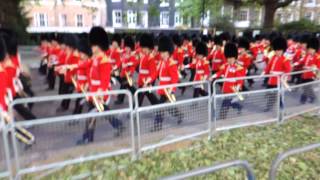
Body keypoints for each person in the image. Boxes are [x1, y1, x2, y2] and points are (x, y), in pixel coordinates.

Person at [77, 27, 124, 145]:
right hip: (94, 93)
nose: (90, 48)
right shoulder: (95, 58)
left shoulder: (104, 60)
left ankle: (87, 138)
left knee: (91, 115)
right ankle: (118, 125)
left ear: (98, 46)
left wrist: (100, 93)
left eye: (92, 45)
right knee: (103, 113)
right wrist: (69, 67)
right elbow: (84, 66)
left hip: (100, 94)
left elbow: (105, 80)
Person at [153, 35, 183, 131]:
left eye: (163, 52)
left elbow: (175, 78)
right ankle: (179, 115)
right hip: (162, 88)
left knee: (160, 107)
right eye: (161, 52)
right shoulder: (162, 62)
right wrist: (149, 80)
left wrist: (171, 89)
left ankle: (157, 126)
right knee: (169, 108)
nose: (161, 54)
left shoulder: (171, 63)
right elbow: (157, 73)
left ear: (168, 52)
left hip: (168, 89)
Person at [211, 43, 246, 119]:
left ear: (235, 58)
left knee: (225, 104)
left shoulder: (238, 67)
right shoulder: (225, 65)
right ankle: (238, 106)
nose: (229, 60)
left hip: (232, 89)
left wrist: (238, 87)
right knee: (229, 103)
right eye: (228, 58)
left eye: (231, 58)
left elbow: (240, 79)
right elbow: (219, 73)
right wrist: (212, 77)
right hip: (225, 88)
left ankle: (222, 118)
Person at [263, 36, 292, 112]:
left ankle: (281, 110)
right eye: (276, 50)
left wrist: (277, 73)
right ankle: (270, 107)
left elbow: (288, 71)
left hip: (279, 81)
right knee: (270, 94)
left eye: (279, 50)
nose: (277, 52)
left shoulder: (285, 59)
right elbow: (269, 66)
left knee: (278, 96)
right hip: (271, 80)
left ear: (283, 50)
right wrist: (265, 72)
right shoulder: (273, 57)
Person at [294, 37, 320, 104]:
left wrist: (309, 68)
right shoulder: (307, 55)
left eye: (311, 49)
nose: (310, 50)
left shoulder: (317, 57)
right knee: (306, 88)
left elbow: (318, 67)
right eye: (309, 49)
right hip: (304, 75)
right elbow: (301, 61)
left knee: (307, 88)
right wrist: (294, 64)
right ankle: (312, 97)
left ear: (315, 49)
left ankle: (303, 100)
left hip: (311, 75)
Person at [115, 36, 138, 105]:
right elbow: (121, 62)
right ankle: (137, 94)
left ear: (131, 48)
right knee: (128, 86)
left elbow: (135, 63)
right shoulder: (124, 54)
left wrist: (128, 64)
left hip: (128, 74)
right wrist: (116, 67)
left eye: (128, 47)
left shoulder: (133, 55)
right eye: (126, 47)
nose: (127, 48)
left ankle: (120, 99)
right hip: (123, 73)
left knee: (124, 85)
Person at [136, 33, 158, 106]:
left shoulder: (151, 58)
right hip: (142, 81)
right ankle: (133, 112)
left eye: (145, 48)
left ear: (149, 48)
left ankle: (133, 112)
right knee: (149, 98)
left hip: (147, 82)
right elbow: (141, 70)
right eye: (143, 48)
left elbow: (153, 73)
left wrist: (148, 82)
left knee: (141, 98)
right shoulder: (143, 56)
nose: (144, 50)